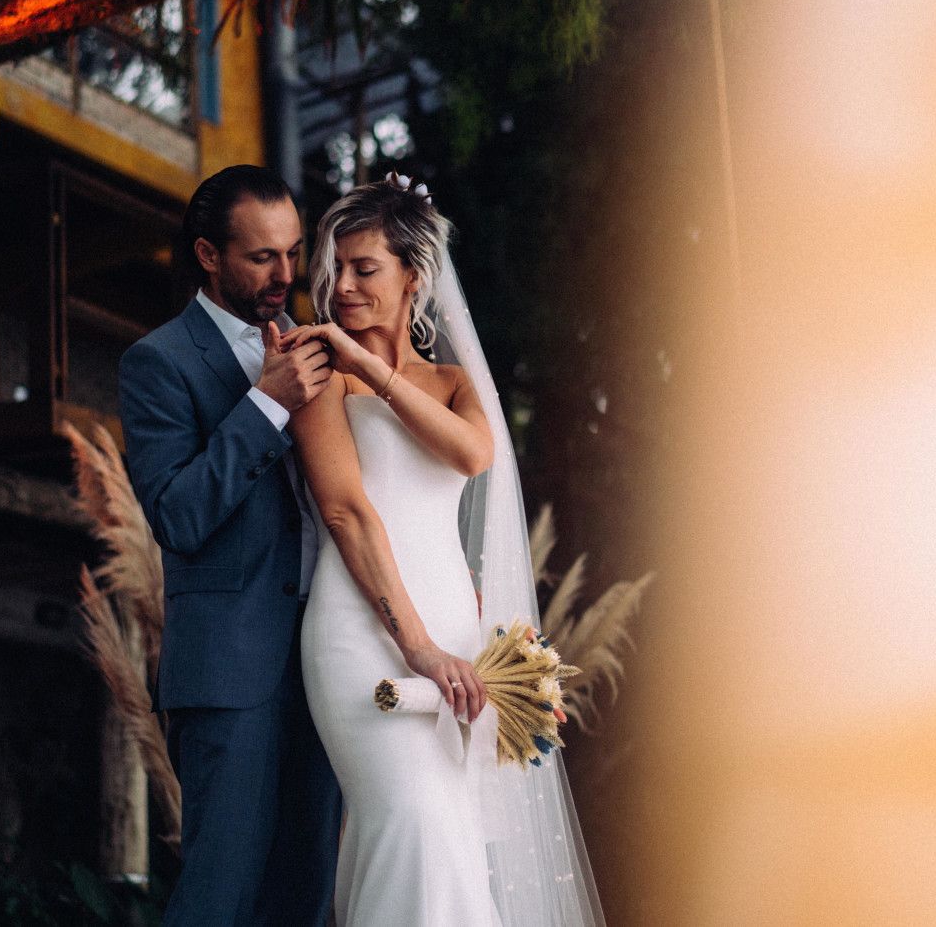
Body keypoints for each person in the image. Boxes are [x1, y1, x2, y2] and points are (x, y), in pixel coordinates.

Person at [288, 171, 607, 926]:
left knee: (452, 835)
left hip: (458, 632)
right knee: (411, 824)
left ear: (414, 277)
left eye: (365, 269)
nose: (343, 289)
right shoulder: (315, 376)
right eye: (334, 271)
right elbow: (346, 512)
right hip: (363, 632)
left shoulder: (457, 383)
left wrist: (375, 368)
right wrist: (420, 646)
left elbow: (472, 455)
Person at [117, 165, 341, 927]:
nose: (287, 275)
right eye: (262, 257)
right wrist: (266, 403)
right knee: (221, 896)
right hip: (230, 674)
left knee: (306, 895)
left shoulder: (323, 347)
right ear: (208, 254)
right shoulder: (158, 363)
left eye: (294, 252)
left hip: (327, 664)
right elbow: (177, 514)